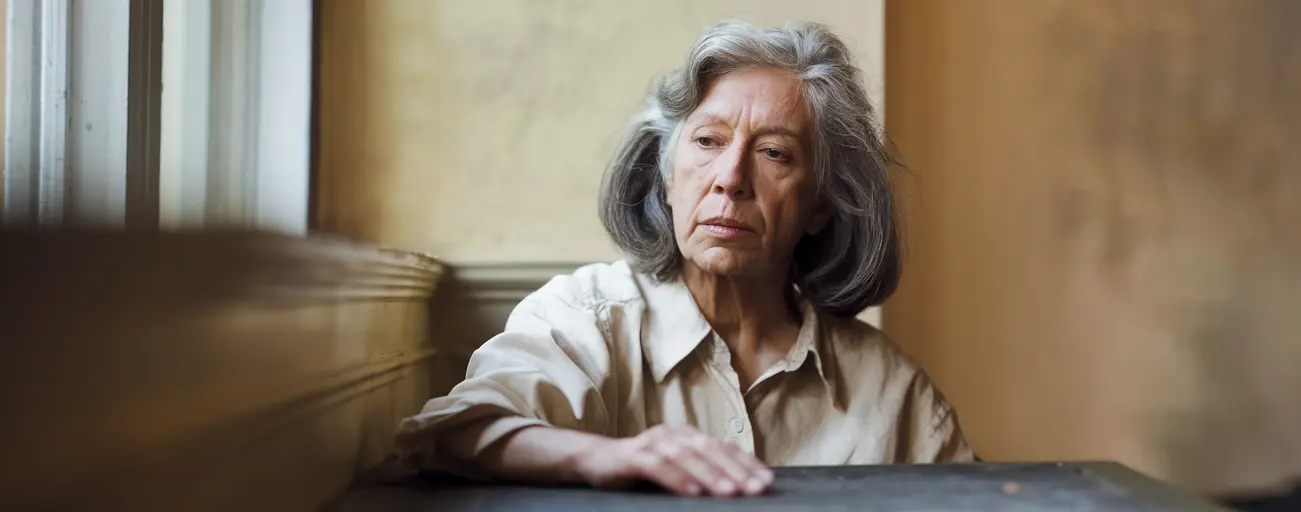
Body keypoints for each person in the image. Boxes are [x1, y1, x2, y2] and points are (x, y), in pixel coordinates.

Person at [397, 20, 972, 498]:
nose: (730, 179)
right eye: (707, 141)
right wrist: (606, 457)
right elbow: (454, 431)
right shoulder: (589, 317)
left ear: (821, 205)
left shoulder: (890, 391)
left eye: (774, 152)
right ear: (666, 176)